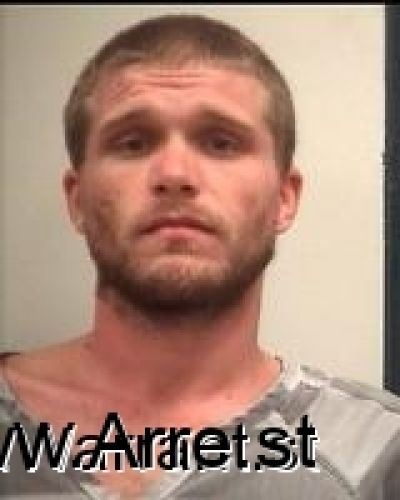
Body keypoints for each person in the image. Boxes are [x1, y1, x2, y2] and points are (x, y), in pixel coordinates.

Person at [0, 13, 399, 499]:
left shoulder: (376, 453)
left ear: (284, 198)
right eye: (133, 143)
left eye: (221, 143)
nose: (174, 174)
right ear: (77, 199)